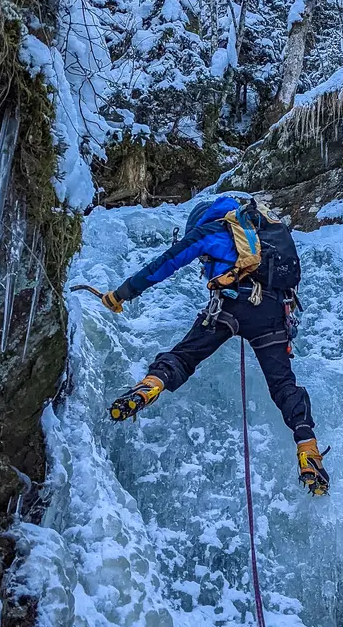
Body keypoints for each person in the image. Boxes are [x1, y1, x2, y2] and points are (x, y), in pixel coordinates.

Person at [96, 193, 329, 496]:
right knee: (284, 385)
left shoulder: (211, 230)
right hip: (273, 313)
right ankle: (308, 449)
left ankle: (150, 386)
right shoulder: (264, 232)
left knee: (184, 356)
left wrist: (121, 294)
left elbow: (165, 264)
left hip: (231, 306)